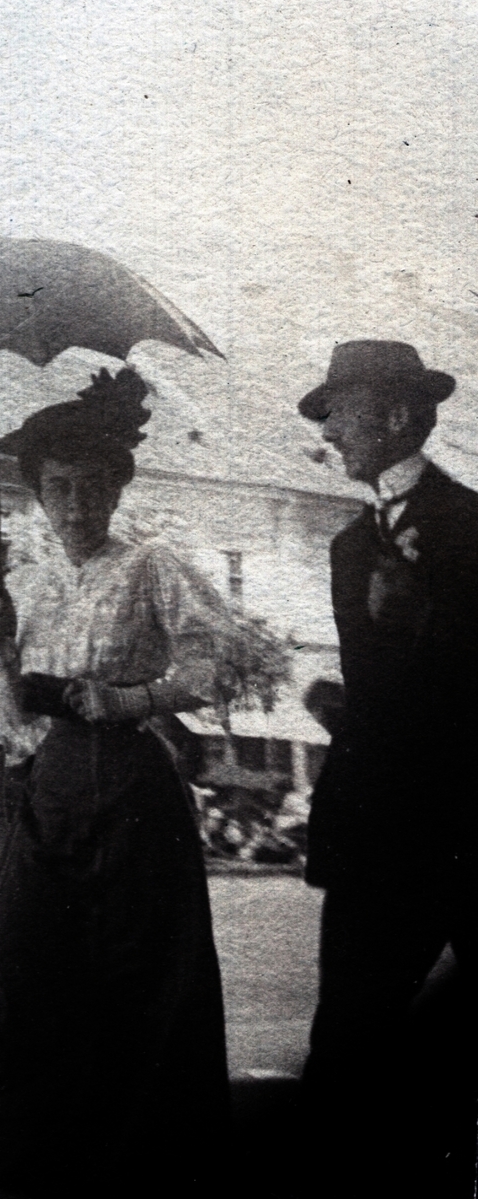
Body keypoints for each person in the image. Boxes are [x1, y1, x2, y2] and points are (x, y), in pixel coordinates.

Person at [0, 368, 235, 1196]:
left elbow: (213, 663)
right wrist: (4, 658)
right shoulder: (27, 582)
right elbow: (12, 718)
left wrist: (127, 697)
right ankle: (41, 1151)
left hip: (131, 785)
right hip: (50, 788)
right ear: (39, 496)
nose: (75, 506)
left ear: (117, 488)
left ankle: (140, 1160)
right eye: (58, 489)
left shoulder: (151, 565)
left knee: (138, 970)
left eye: (91, 488)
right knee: (29, 959)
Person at [295, 340, 476, 1193]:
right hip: (376, 829)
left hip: (463, 828)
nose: (329, 429)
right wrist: (344, 705)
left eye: (341, 409)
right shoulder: (345, 545)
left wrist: (428, 618)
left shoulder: (473, 527)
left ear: (401, 416)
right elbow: (388, 687)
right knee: (346, 1041)